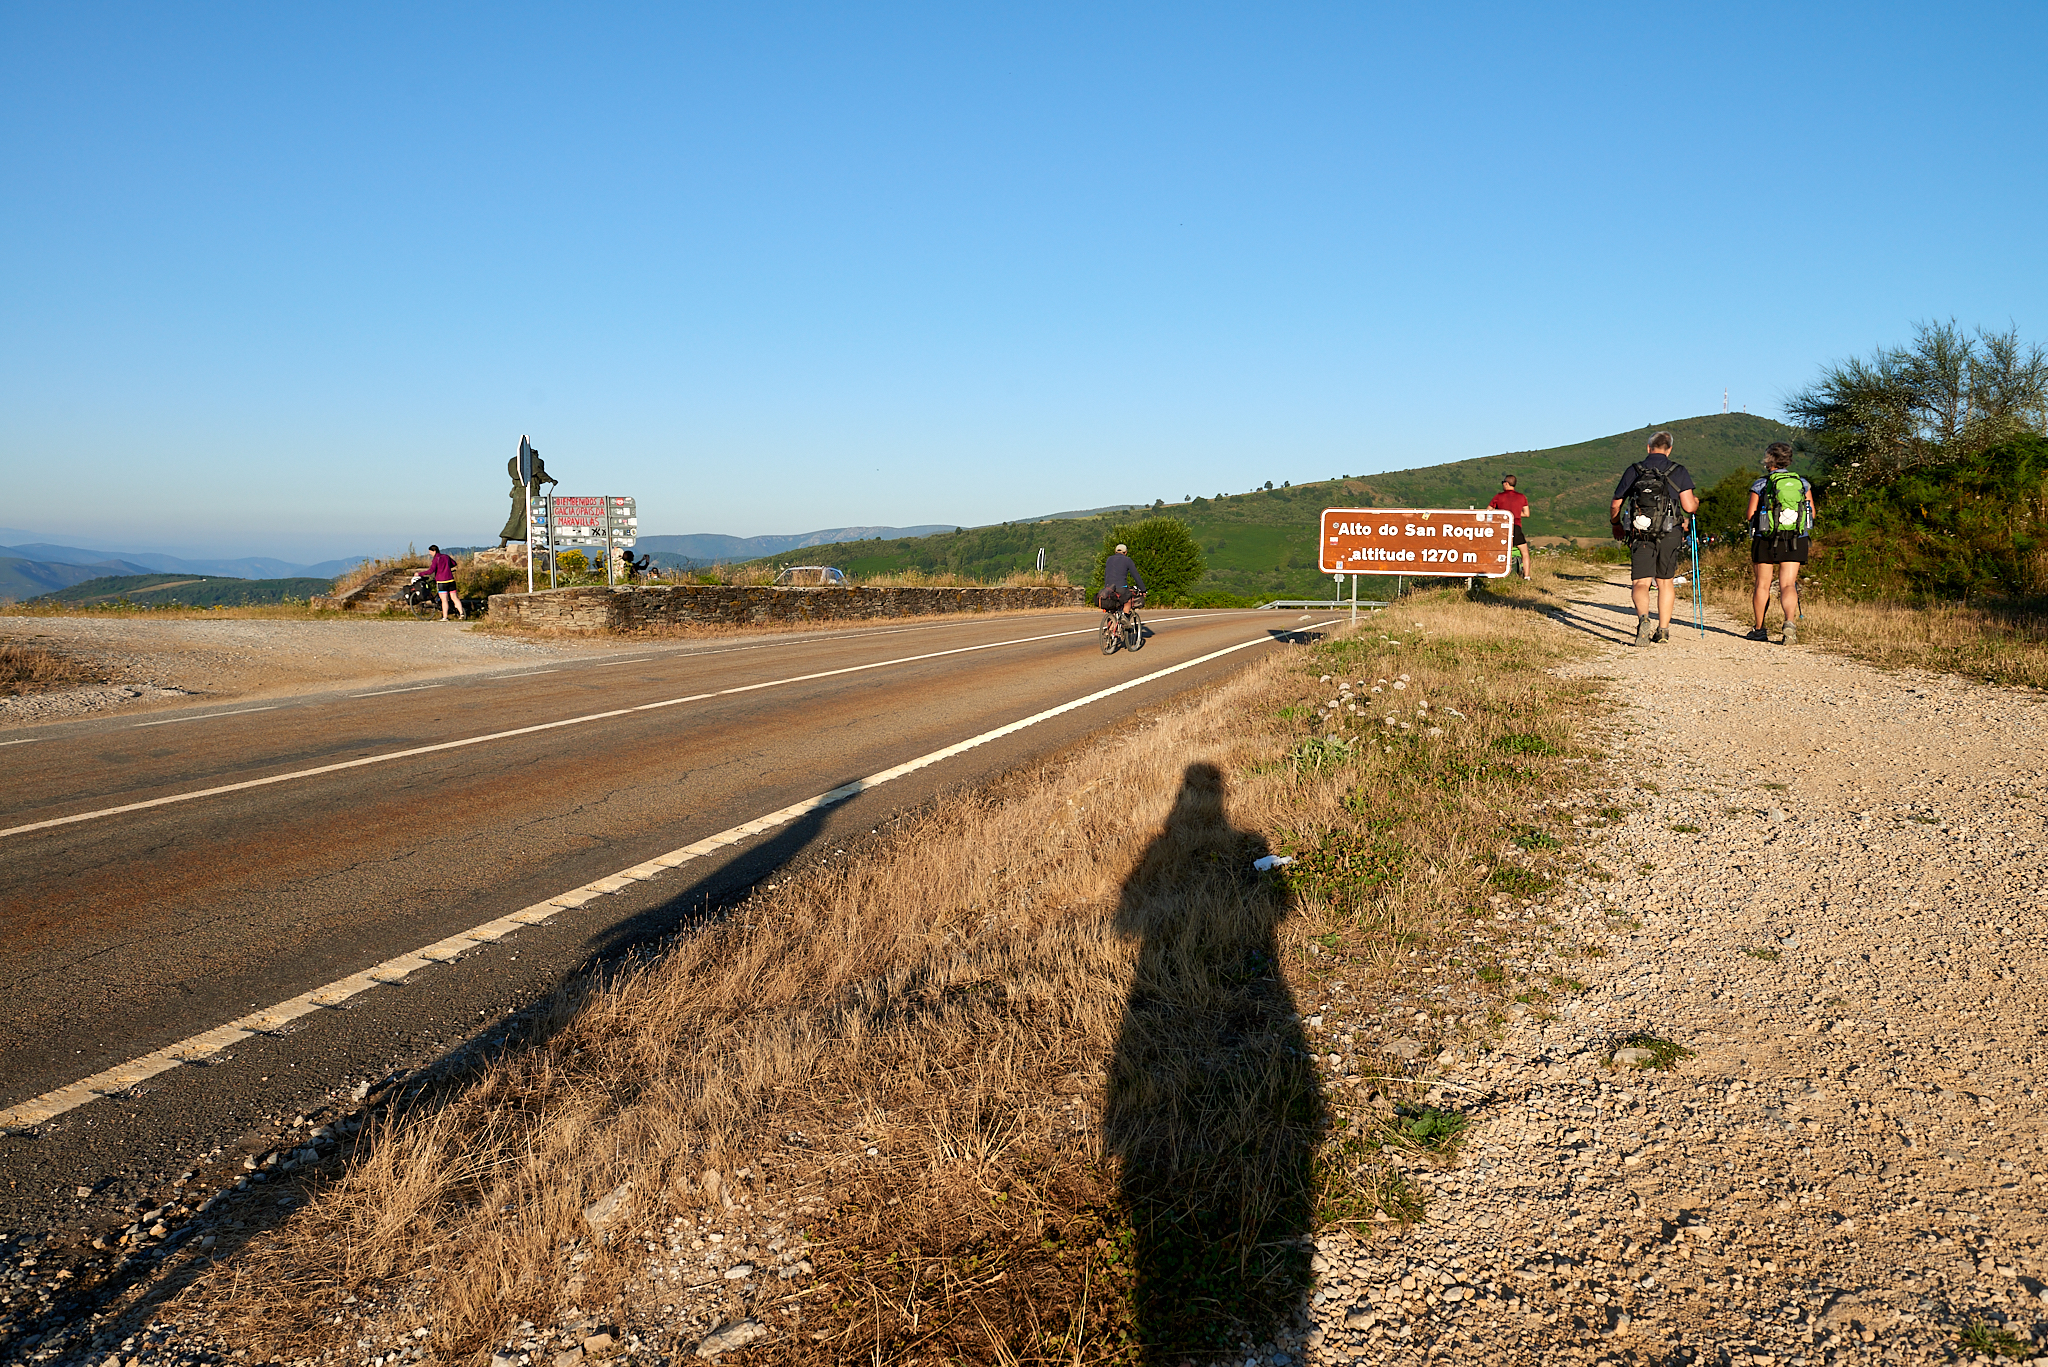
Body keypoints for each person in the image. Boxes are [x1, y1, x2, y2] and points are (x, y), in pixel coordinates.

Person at [1610, 431, 1700, 646]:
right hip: (1670, 532)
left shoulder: (1635, 470)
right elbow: (1688, 506)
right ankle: (1663, 630)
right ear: (1669, 449)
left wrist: (1615, 525)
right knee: (1665, 582)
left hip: (1640, 532)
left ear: (1648, 447)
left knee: (1641, 582)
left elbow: (1616, 503)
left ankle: (1643, 619)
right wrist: (1696, 502)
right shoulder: (1678, 471)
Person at [1745, 442, 1816, 644]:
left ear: (1768, 460)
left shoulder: (1760, 484)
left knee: (1762, 584)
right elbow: (1812, 514)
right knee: (1787, 584)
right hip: (1795, 539)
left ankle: (1759, 629)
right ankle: (1789, 622)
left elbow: (1751, 514)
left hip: (1765, 538)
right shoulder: (1802, 483)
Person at [1488, 474, 1532, 579]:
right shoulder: (1522, 497)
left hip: (1502, 527)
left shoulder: (1498, 497)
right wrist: (1515, 513)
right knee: (1524, 553)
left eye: (1503, 483)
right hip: (1516, 527)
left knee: (1496, 551)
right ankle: (1526, 576)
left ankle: (1495, 573)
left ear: (1506, 483)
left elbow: (1488, 511)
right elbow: (1527, 514)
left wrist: (1501, 512)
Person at [1100, 542, 1146, 615]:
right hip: (1121, 587)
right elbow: (1136, 575)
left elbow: (1106, 574)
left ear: (1115, 552)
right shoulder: (1127, 560)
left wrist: (1106, 586)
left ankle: (1112, 623)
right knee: (1128, 600)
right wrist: (1143, 589)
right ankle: (1125, 618)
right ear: (1125, 552)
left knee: (1113, 606)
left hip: (1109, 588)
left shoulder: (1109, 559)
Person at [428, 544, 465, 621]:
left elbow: (431, 570)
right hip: (451, 580)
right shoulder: (446, 556)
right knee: (455, 598)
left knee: (444, 600)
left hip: (441, 581)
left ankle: (445, 617)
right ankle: (461, 613)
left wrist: (419, 574)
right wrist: (447, 567)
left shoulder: (436, 559)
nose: (430, 554)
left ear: (434, 551)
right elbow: (454, 563)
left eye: (430, 552)